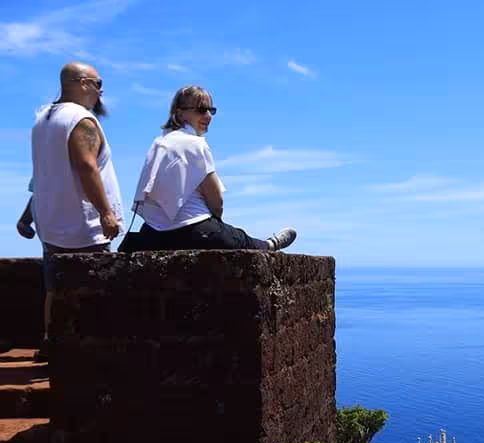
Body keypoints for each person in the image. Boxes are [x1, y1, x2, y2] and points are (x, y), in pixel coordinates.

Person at [25, 61, 123, 360]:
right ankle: (95, 353)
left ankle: (50, 341)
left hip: (50, 219)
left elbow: (45, 173)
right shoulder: (81, 120)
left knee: (55, 287)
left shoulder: (43, 118)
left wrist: (27, 215)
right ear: (82, 83)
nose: (101, 90)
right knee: (96, 290)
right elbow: (85, 165)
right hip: (83, 225)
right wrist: (106, 213)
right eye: (98, 83)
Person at [130, 86, 296, 251]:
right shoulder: (196, 143)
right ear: (179, 113)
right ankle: (270, 245)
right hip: (194, 229)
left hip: (154, 233)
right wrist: (218, 227)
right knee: (239, 238)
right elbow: (217, 201)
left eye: (211, 110)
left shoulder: (158, 143)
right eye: (201, 110)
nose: (208, 116)